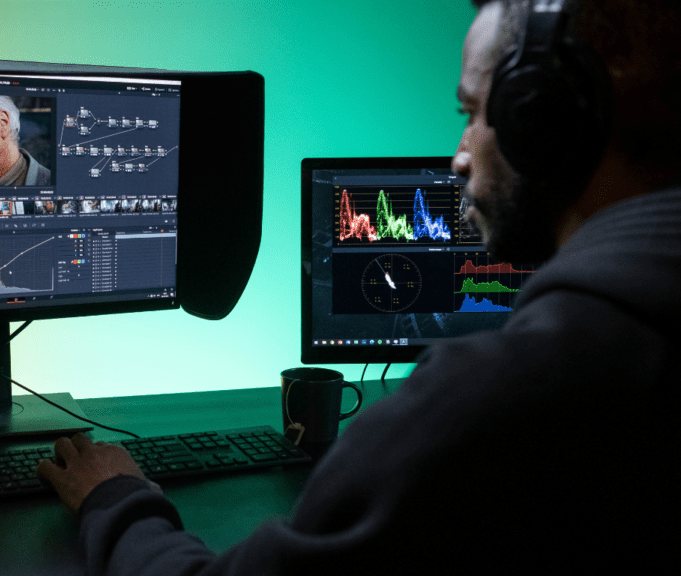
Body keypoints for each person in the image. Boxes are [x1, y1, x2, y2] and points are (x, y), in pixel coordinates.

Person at [36, 0, 681, 572]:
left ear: (545, 120)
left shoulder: (504, 398)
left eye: (474, 111)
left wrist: (116, 498)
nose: (459, 155)